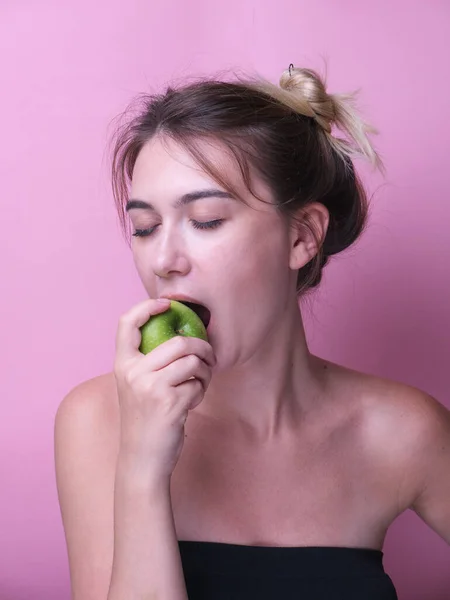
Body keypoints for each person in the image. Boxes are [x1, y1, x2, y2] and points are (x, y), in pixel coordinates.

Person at [54, 65, 450, 600]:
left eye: (207, 220)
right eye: (145, 228)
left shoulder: (400, 430)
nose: (164, 260)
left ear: (302, 236)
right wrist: (143, 467)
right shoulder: (99, 421)